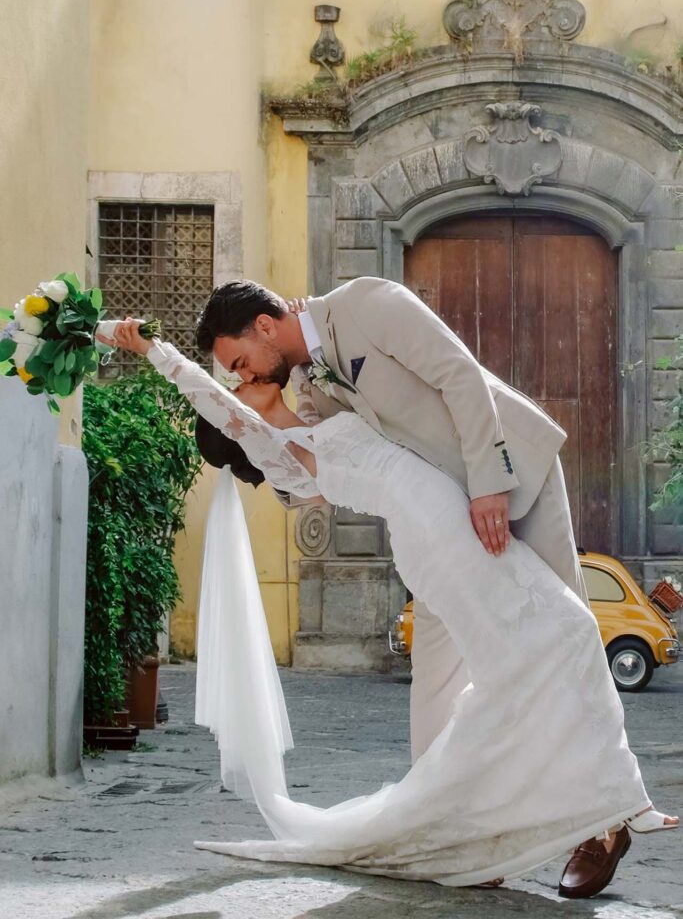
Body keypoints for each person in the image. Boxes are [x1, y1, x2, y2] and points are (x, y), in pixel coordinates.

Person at [105, 316, 678, 898]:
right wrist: (150, 349)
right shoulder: (277, 450)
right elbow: (205, 394)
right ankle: (610, 806)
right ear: (233, 428)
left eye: (236, 373)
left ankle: (559, 813)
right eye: (230, 390)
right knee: (565, 635)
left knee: (553, 646)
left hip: (441, 523)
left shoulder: (311, 406)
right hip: (440, 537)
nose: (235, 380)